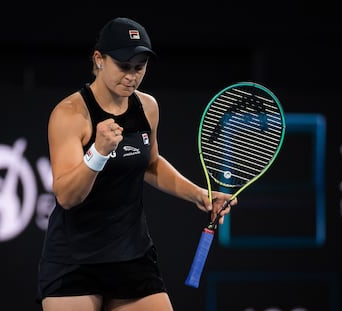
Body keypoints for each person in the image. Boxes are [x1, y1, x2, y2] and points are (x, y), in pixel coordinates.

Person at [36, 17, 237, 311]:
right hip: (73, 261)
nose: (132, 76)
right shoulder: (69, 114)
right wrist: (98, 153)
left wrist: (200, 195)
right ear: (99, 60)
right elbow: (67, 196)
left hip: (132, 256)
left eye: (139, 67)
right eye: (124, 66)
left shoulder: (148, 107)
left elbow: (150, 163)